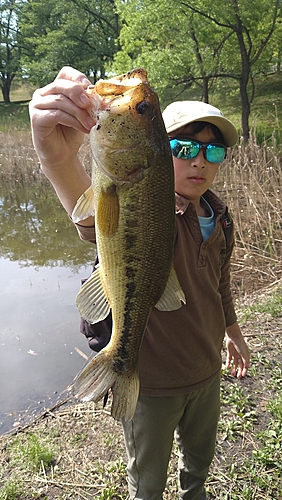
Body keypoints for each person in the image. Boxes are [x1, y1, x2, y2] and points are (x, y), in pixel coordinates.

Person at [29, 66, 251, 500]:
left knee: (199, 466)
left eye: (214, 152)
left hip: (206, 373)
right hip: (151, 385)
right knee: (147, 482)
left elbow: (220, 284)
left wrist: (233, 332)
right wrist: (54, 158)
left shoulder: (219, 216)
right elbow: (94, 217)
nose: (199, 160)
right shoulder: (148, 205)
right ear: (159, 151)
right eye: (183, 145)